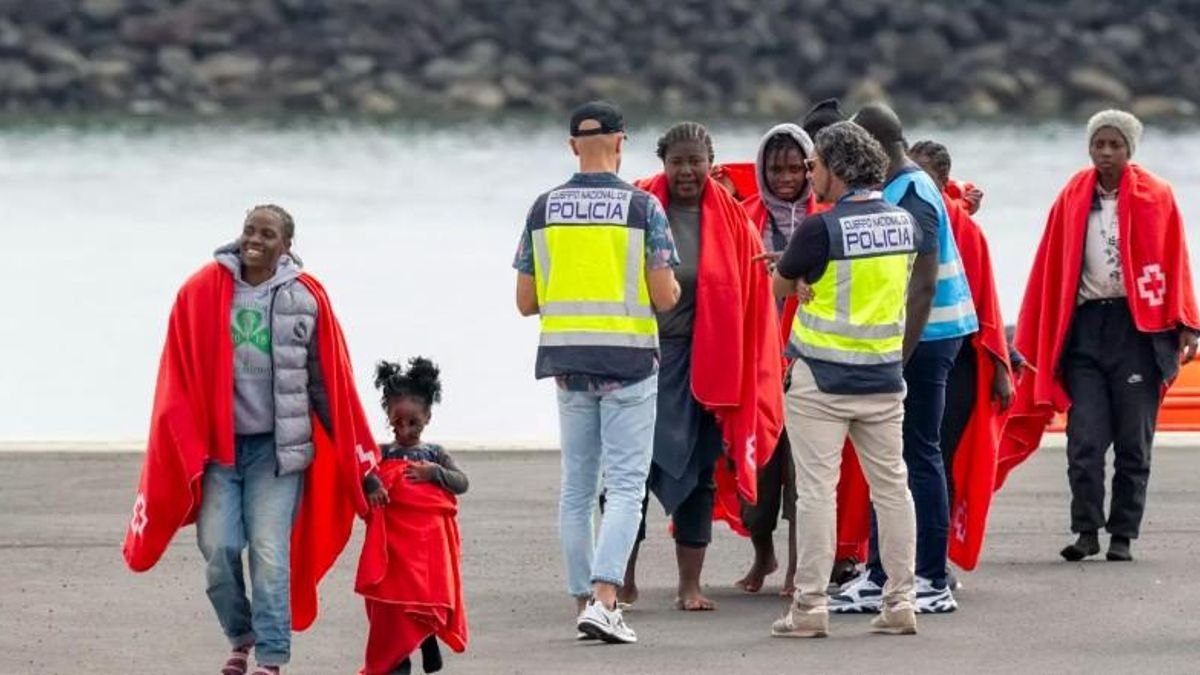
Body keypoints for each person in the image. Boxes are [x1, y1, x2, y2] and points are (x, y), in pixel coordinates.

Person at [122, 205, 380, 675]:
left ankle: (271, 658)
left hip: (279, 455)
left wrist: (356, 458)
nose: (254, 240)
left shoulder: (306, 298)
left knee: (268, 552)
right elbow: (176, 373)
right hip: (221, 450)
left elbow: (329, 384)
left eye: (267, 233)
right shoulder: (202, 291)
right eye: (249, 230)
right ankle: (240, 638)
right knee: (218, 549)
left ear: (287, 245)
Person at [997, 110, 1200, 562]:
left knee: (1133, 440)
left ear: (1130, 149)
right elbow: (1050, 265)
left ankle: (1123, 534)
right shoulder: (1072, 196)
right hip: (1085, 329)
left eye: (1115, 145)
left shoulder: (1157, 197)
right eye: (1098, 145)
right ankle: (1086, 529)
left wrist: (1187, 322)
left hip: (1139, 330)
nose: (1105, 153)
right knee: (1084, 439)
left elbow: (1176, 260)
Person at [513, 100, 680, 644]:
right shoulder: (643, 208)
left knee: (577, 488)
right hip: (629, 359)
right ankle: (607, 600)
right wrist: (673, 290)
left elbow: (525, 300)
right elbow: (662, 293)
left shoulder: (543, 208)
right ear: (620, 141)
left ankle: (582, 599)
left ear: (571, 146)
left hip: (567, 361)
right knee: (626, 485)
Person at [623, 122, 784, 612]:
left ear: (710, 162)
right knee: (628, 473)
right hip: (644, 358)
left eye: (696, 161)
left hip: (708, 362)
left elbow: (756, 300)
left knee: (699, 472)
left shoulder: (735, 220)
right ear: (663, 164)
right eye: (678, 162)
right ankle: (620, 579)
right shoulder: (640, 209)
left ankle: (689, 586)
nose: (687, 171)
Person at [769, 120, 919, 638]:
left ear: (835, 168)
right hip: (882, 377)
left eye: (813, 166)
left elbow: (780, 284)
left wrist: (797, 279)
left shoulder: (820, 227)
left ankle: (809, 609)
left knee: (816, 493)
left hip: (821, 380)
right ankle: (901, 601)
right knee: (893, 490)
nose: (809, 176)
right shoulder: (904, 223)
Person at [830, 103, 977, 616]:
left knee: (916, 456)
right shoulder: (898, 185)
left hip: (928, 337)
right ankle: (881, 574)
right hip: (919, 336)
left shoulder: (912, 192)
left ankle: (929, 578)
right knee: (889, 458)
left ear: (874, 144)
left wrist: (897, 357)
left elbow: (923, 282)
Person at [909, 140, 1016, 575]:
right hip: (905, 355)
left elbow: (987, 303)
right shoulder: (903, 221)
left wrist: (1002, 367)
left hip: (959, 363)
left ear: (943, 183)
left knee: (936, 456)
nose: (918, 187)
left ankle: (933, 563)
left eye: (927, 179)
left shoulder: (965, 230)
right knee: (901, 460)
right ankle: (899, 557)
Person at [734, 122, 815, 596]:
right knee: (758, 468)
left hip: (809, 357)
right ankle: (762, 554)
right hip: (759, 361)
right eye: (774, 168)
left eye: (794, 168)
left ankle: (795, 570)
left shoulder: (824, 217)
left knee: (801, 473)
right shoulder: (745, 217)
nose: (785, 178)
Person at [357, 357, 468, 675]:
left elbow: (462, 483)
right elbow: (357, 470)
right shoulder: (381, 452)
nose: (404, 430)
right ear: (388, 418)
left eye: (413, 423)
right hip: (393, 543)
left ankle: (428, 636)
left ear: (428, 418)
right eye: (396, 423)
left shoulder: (436, 453)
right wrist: (372, 481)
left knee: (422, 598)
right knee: (393, 603)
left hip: (428, 544)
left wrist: (435, 474)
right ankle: (399, 660)